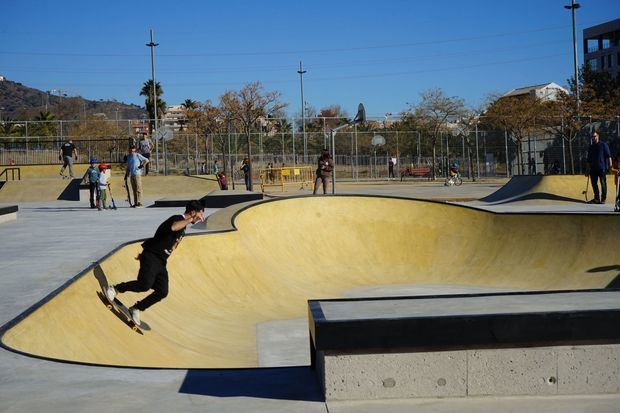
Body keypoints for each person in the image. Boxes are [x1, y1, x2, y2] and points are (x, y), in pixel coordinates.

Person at [105, 200, 205, 325]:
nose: (202, 218)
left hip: (161, 261)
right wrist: (191, 219)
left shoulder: (183, 227)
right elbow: (174, 227)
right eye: (200, 214)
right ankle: (115, 288)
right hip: (151, 255)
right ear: (193, 212)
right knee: (144, 285)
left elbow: (174, 243)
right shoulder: (177, 218)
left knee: (162, 291)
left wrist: (173, 246)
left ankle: (137, 308)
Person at [586, 131, 612, 204]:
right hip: (593, 169)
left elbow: (608, 156)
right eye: (592, 137)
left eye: (595, 136)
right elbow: (588, 160)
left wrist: (610, 167)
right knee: (594, 184)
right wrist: (587, 170)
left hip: (602, 168)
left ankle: (603, 199)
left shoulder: (603, 145)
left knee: (603, 184)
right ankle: (596, 199)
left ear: (598, 136)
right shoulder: (591, 147)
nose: (593, 138)